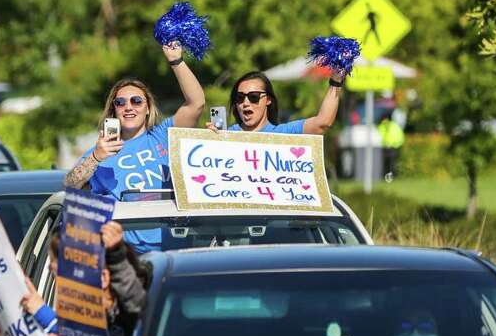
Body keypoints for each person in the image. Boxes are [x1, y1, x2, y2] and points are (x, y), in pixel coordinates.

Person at [63, 42, 205, 251]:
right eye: (120, 103)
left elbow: (196, 103)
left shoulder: (164, 135)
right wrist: (95, 157)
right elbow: (69, 186)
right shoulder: (102, 150)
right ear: (114, 110)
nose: (128, 107)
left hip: (175, 251)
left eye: (137, 101)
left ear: (148, 108)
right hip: (128, 256)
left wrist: (176, 61)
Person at [214, 70, 345, 135]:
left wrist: (336, 81)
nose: (246, 103)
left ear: (268, 100)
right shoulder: (226, 135)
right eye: (240, 97)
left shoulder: (283, 133)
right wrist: (208, 138)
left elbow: (323, 122)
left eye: (253, 97)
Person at [378, 113, 405, 178]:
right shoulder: (381, 126)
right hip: (384, 148)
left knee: (392, 164)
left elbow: (399, 137)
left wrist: (396, 145)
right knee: (385, 164)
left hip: (393, 148)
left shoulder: (394, 126)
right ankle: (385, 177)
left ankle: (393, 177)